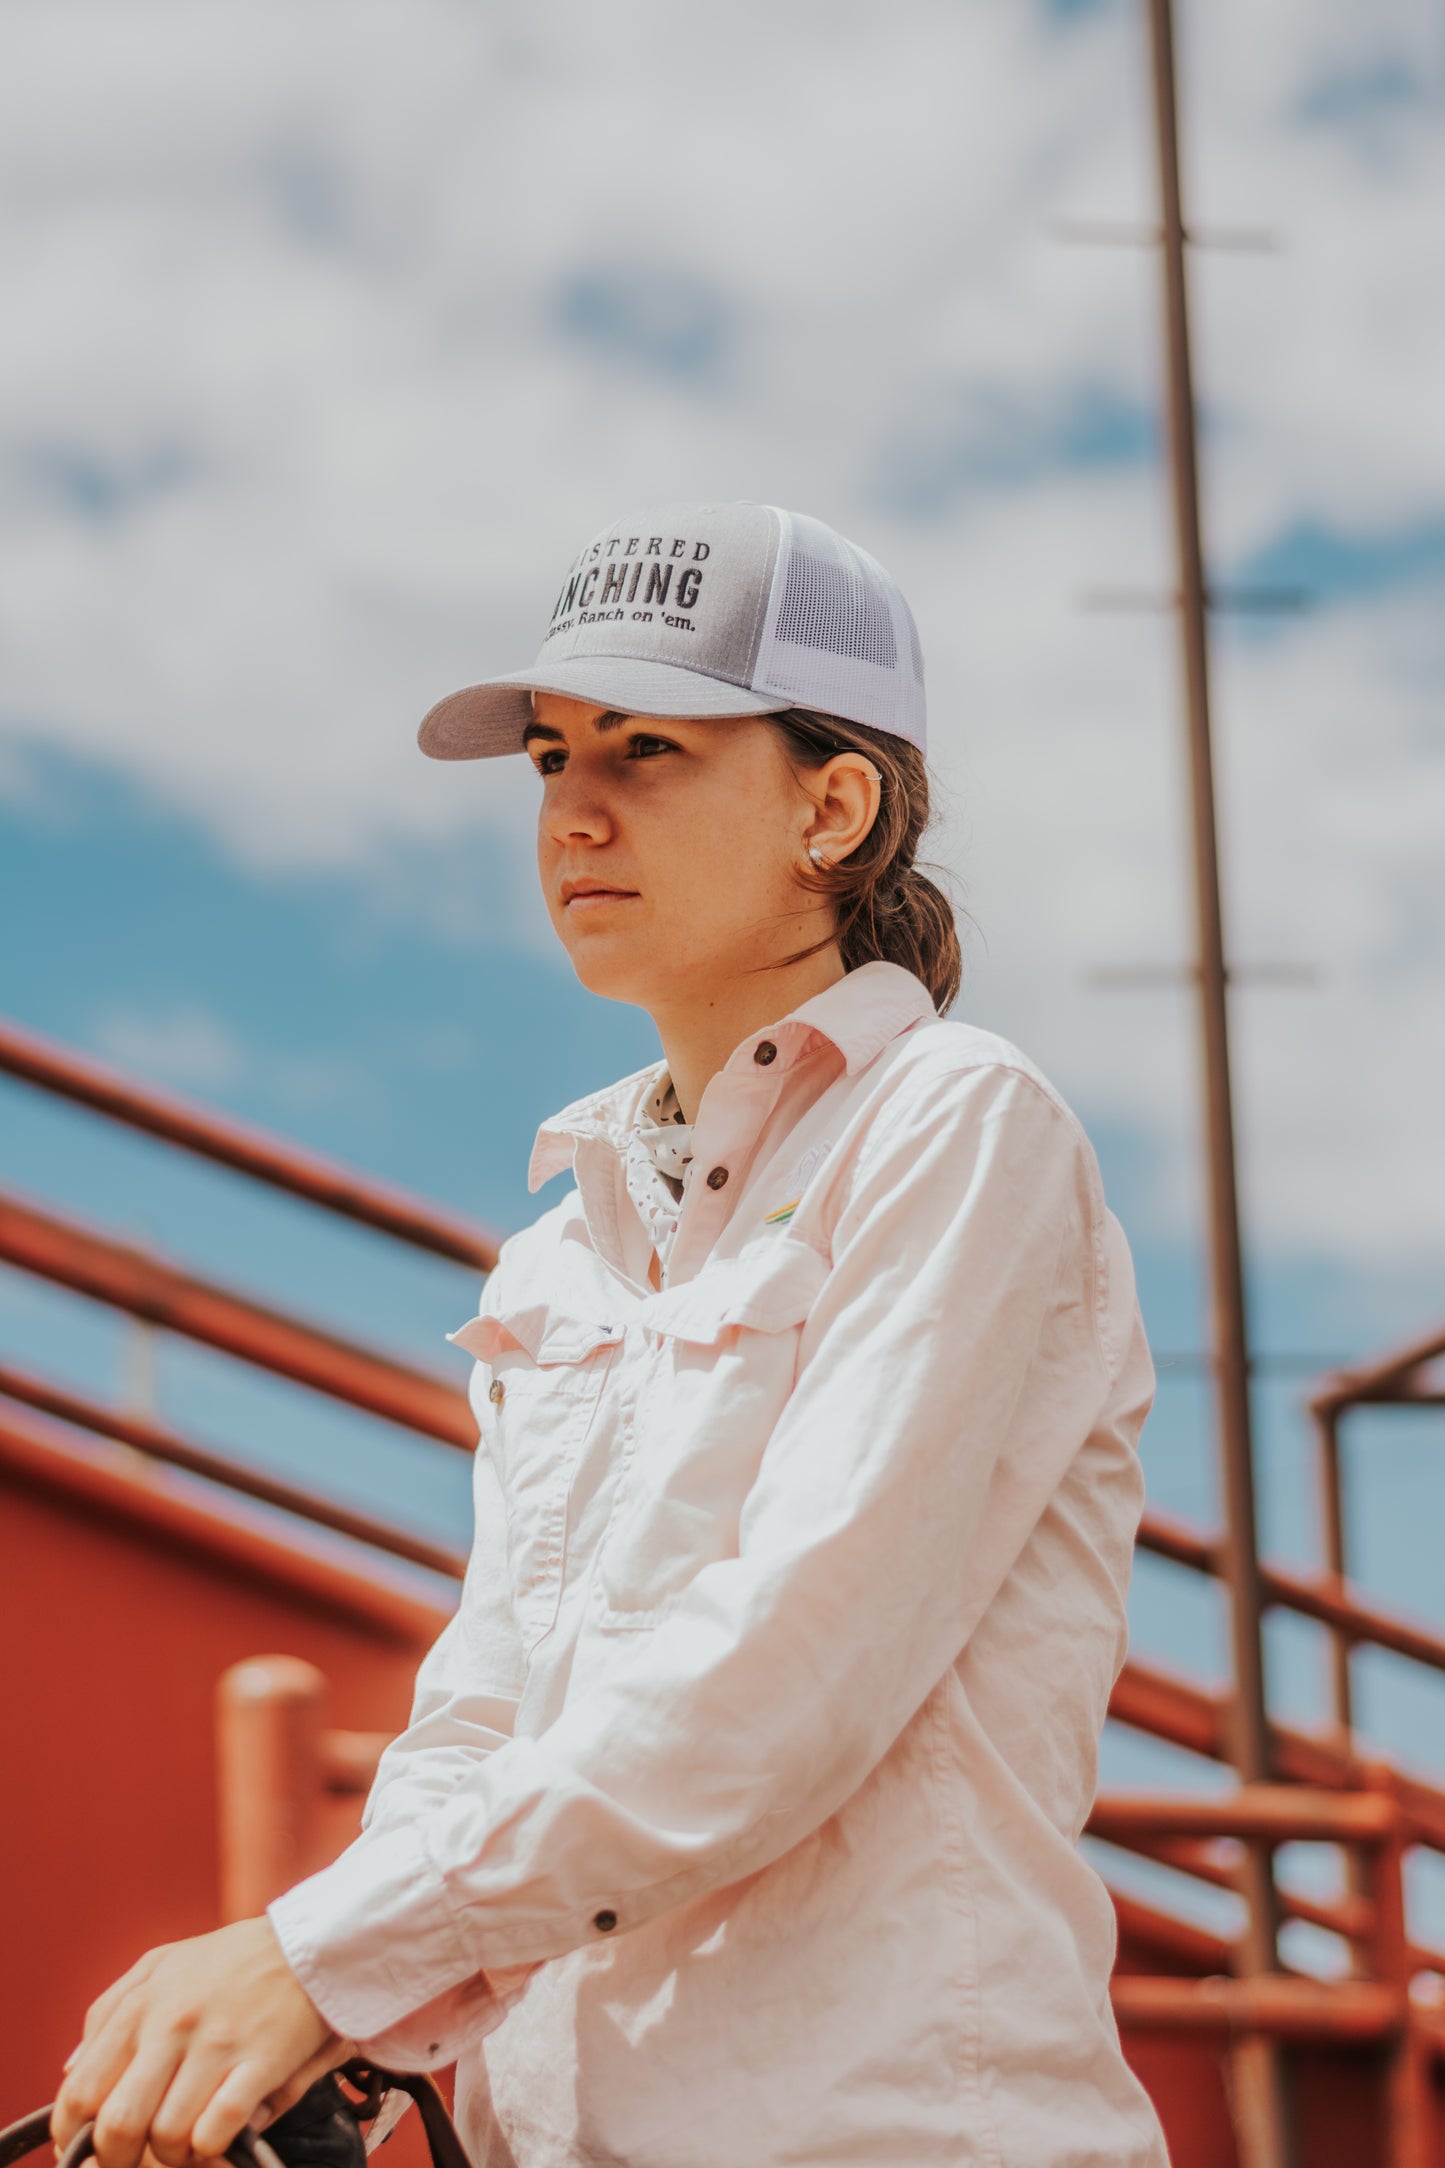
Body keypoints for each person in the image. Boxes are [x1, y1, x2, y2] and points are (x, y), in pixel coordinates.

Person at [54, 502, 1169, 2167]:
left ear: (833, 804)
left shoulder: (955, 1124)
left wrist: (319, 1959)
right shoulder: (563, 1247)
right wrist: (324, 1996)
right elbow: (482, 1708)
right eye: (550, 759)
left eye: (644, 750)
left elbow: (792, 1667)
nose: (571, 813)